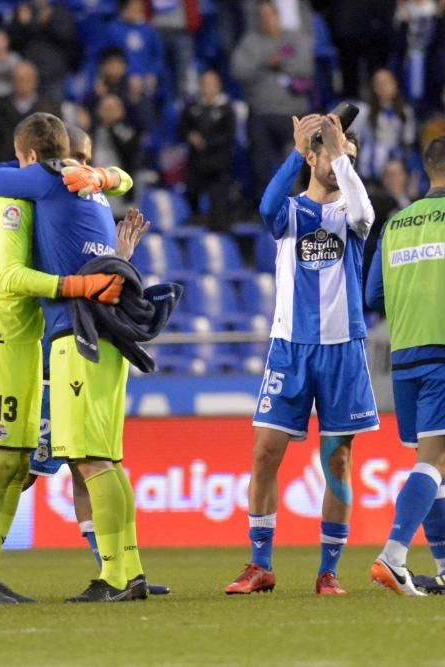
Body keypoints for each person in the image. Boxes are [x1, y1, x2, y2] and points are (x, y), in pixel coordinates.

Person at [0, 113, 155, 602]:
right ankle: (125, 570)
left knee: (90, 461)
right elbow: (125, 178)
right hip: (104, 331)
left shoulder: (46, 181)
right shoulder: (91, 187)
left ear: (28, 156)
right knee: (105, 459)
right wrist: (108, 176)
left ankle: (116, 577)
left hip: (76, 331)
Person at [225, 113, 378, 596]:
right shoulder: (292, 213)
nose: (336, 162)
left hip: (342, 351)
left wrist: (341, 151)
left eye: (346, 156)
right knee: (265, 452)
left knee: (337, 461)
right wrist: (297, 150)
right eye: (328, 154)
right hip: (290, 349)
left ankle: (328, 570)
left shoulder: (351, 214)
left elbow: (363, 215)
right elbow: (267, 206)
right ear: (311, 158)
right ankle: (260, 564)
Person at [366, 136, 445, 596]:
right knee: (436, 459)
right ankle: (393, 556)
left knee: (429, 461)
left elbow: (373, 296)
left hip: (406, 355)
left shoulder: (397, 223)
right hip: (441, 352)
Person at [231, 0, 314, 200]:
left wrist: (282, 64)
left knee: (293, 162)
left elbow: (307, 69)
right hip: (261, 112)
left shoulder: (294, 39)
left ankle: (296, 204)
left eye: (270, 16)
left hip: (292, 113)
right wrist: (265, 63)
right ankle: (264, 205)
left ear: (278, 16)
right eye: (262, 17)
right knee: (260, 164)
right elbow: (238, 71)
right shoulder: (251, 42)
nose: (266, 20)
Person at [178, 69, 236, 230]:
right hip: (196, 162)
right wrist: (191, 136)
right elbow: (182, 128)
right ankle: (195, 217)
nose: (208, 88)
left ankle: (220, 224)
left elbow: (229, 134)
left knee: (219, 197)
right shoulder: (192, 106)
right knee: (192, 191)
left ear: (219, 86)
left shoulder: (226, 107)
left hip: (219, 163)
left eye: (212, 84)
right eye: (205, 84)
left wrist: (208, 143)